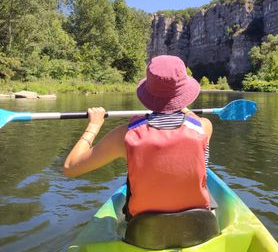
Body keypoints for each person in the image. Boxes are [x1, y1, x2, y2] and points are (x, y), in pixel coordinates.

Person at [63, 55, 213, 219]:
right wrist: (177, 103)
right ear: (184, 94)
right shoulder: (204, 127)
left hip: (144, 236)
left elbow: (70, 168)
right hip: (198, 228)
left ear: (148, 93)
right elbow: (191, 118)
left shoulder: (125, 135)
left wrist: (94, 126)